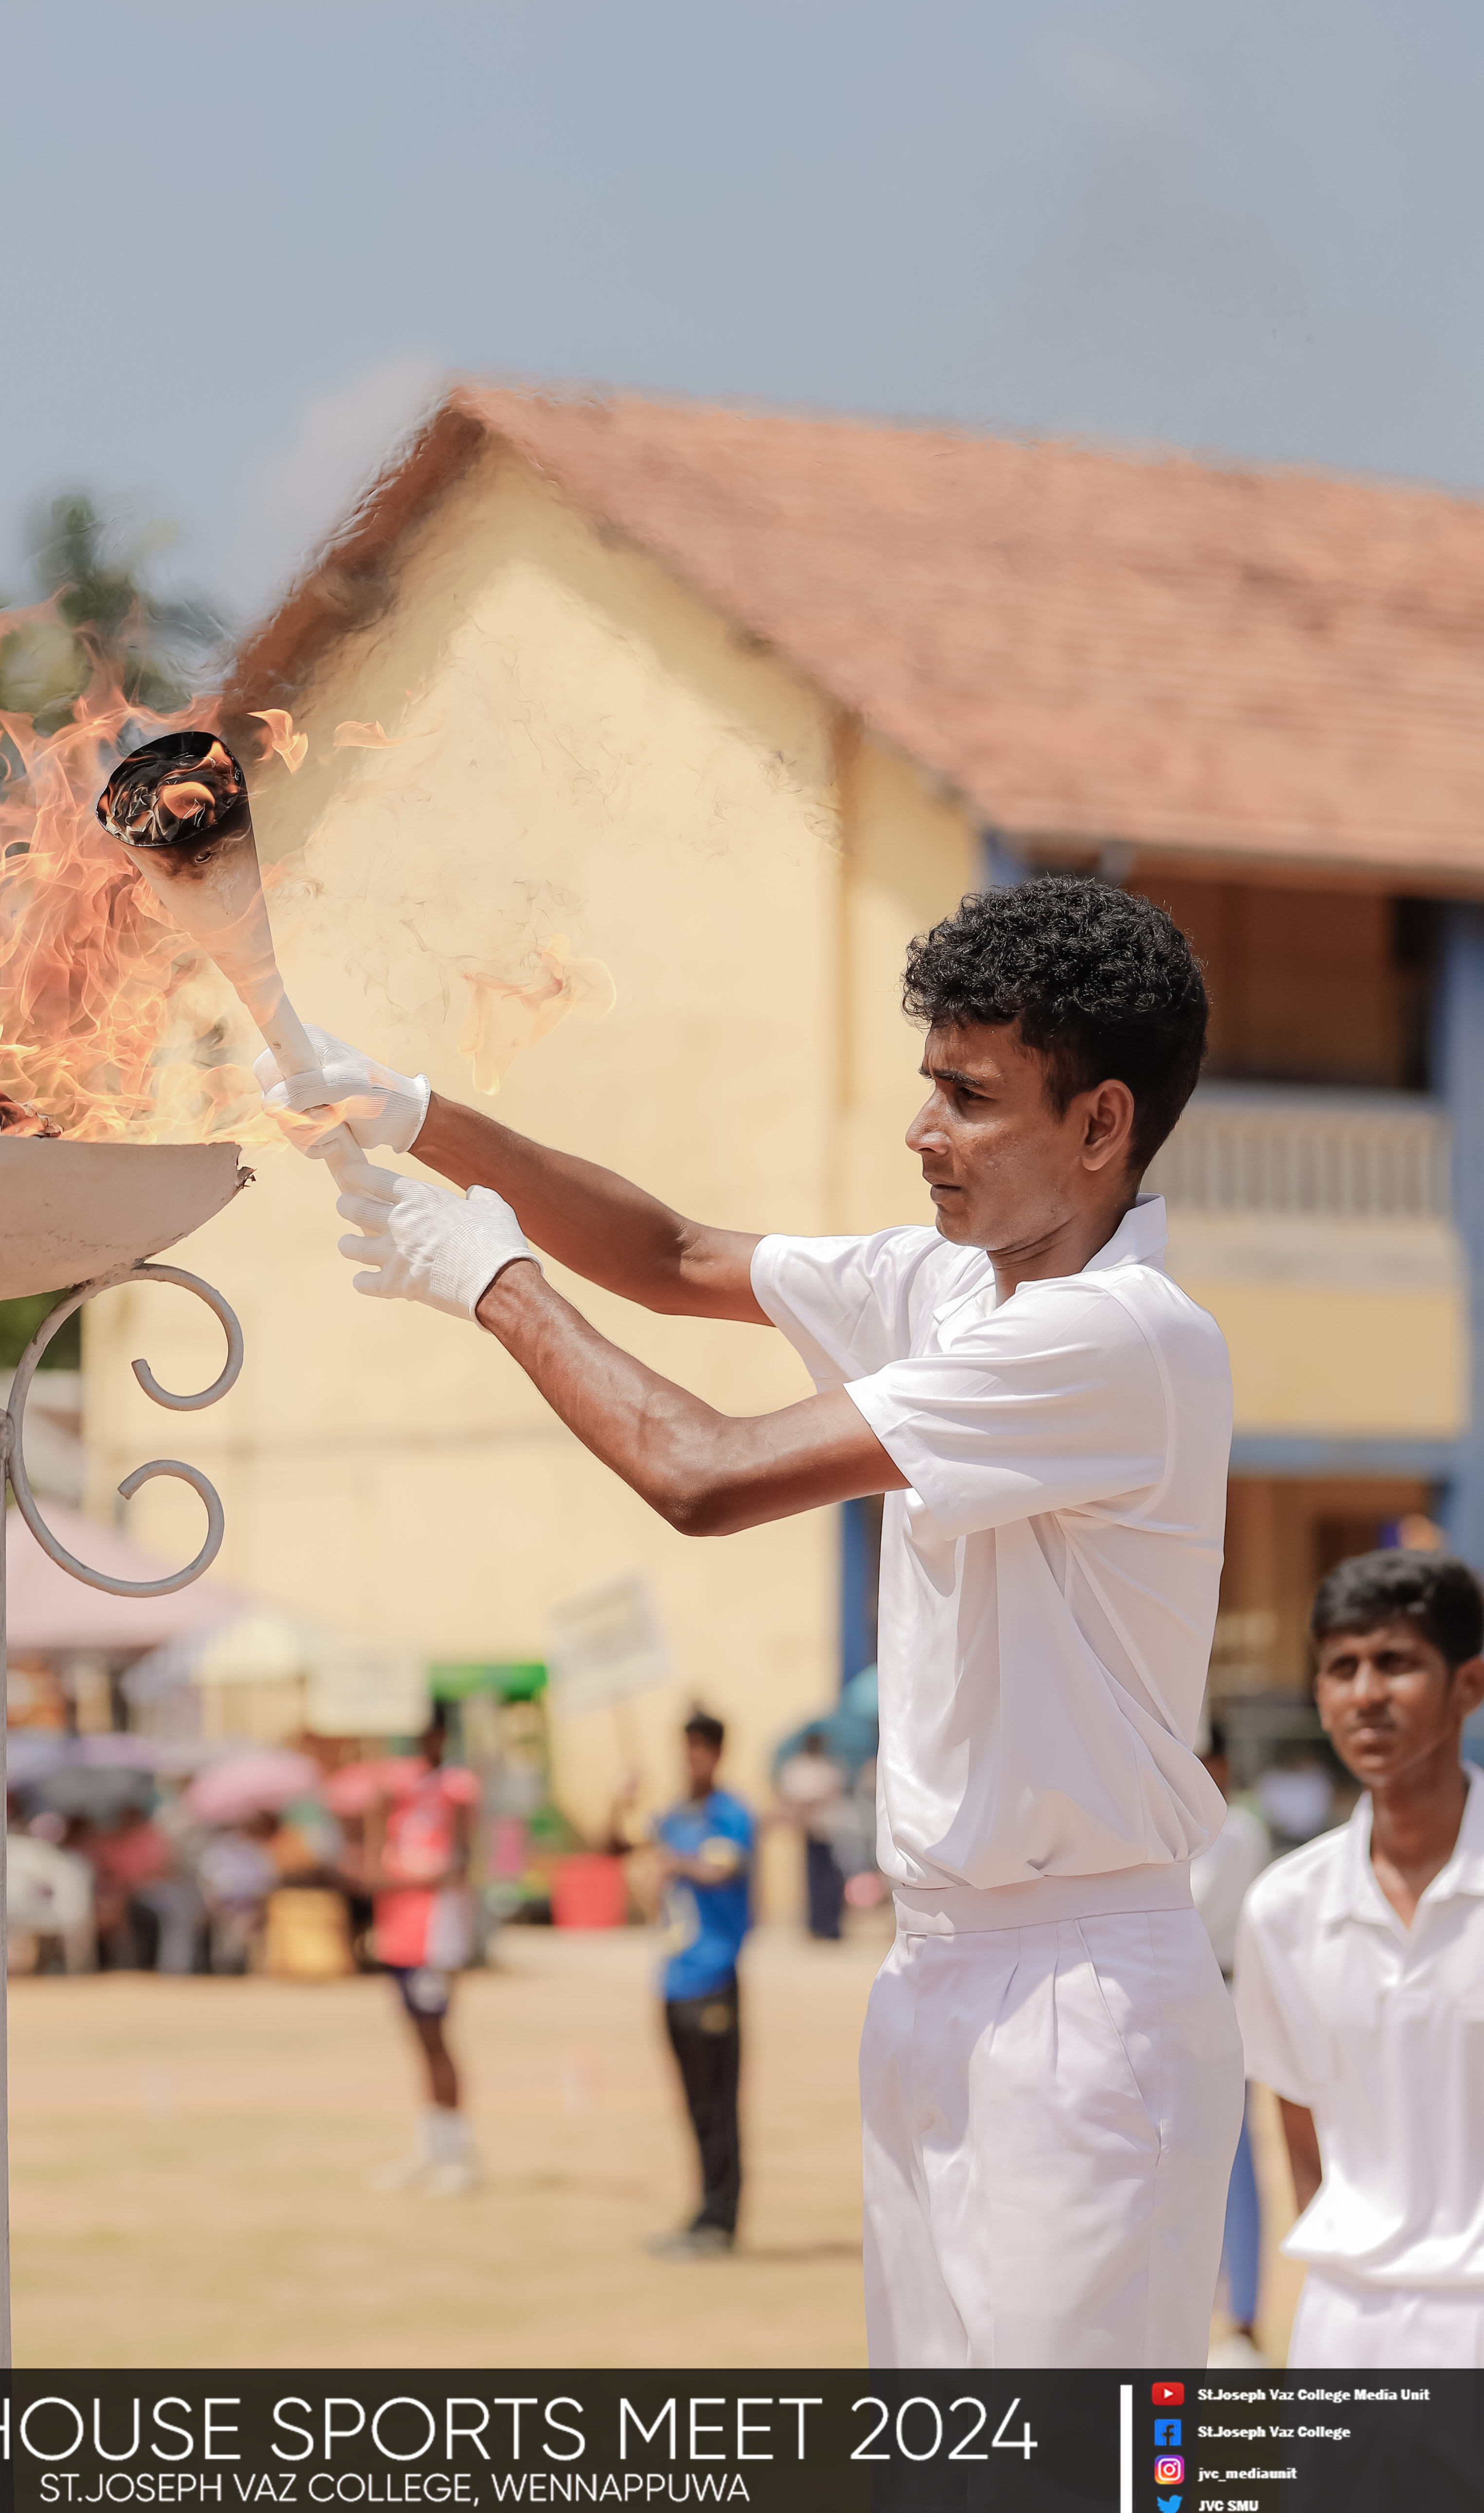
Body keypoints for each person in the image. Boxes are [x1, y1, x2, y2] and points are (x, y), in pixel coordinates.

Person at [264, 874, 1241, 2366]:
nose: (922, 1131)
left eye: (968, 1098)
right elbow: (667, 1254)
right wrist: (411, 1112)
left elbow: (701, 1472)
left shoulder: (1117, 1337)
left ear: (1098, 1125)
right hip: (932, 1969)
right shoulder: (944, 1284)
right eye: (928, 1085)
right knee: (947, 2503)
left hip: (1080, 1991)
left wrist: (490, 1281)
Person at [1234, 1547, 1484, 2366]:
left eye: (1397, 1663)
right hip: (1345, 2334)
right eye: (1343, 1667)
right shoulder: (1284, 1910)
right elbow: (1301, 2139)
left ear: (1469, 1687)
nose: (1366, 1694)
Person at [627, 1711, 757, 2258]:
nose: (692, 1759)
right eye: (687, 1749)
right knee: (694, 2105)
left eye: (702, 1749)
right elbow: (615, 1841)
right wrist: (623, 1799)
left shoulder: (730, 1815)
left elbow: (721, 1868)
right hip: (674, 1978)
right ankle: (704, 2209)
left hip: (714, 1976)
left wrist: (673, 1862)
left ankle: (722, 2218)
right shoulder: (674, 1817)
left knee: (718, 2104)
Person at [360, 1702, 480, 2196]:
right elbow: (374, 1862)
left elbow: (456, 1860)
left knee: (438, 2038)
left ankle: (457, 2149)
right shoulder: (396, 1788)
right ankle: (431, 2144)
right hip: (400, 1930)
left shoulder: (455, 1789)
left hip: (437, 1932)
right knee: (418, 2040)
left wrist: (411, 1874)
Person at [1190, 1721, 1272, 2358]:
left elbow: (1193, 1907)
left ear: (1217, 1763)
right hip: (1172, 1999)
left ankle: (1243, 2315)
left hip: (1218, 1995)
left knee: (1233, 2160)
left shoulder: (1233, 1830)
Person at [777, 1729, 848, 1940]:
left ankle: (832, 1926)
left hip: (830, 1831)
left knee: (832, 1881)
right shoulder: (801, 1769)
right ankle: (817, 1926)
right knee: (814, 1880)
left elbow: (827, 1796)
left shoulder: (829, 1768)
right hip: (810, 1831)